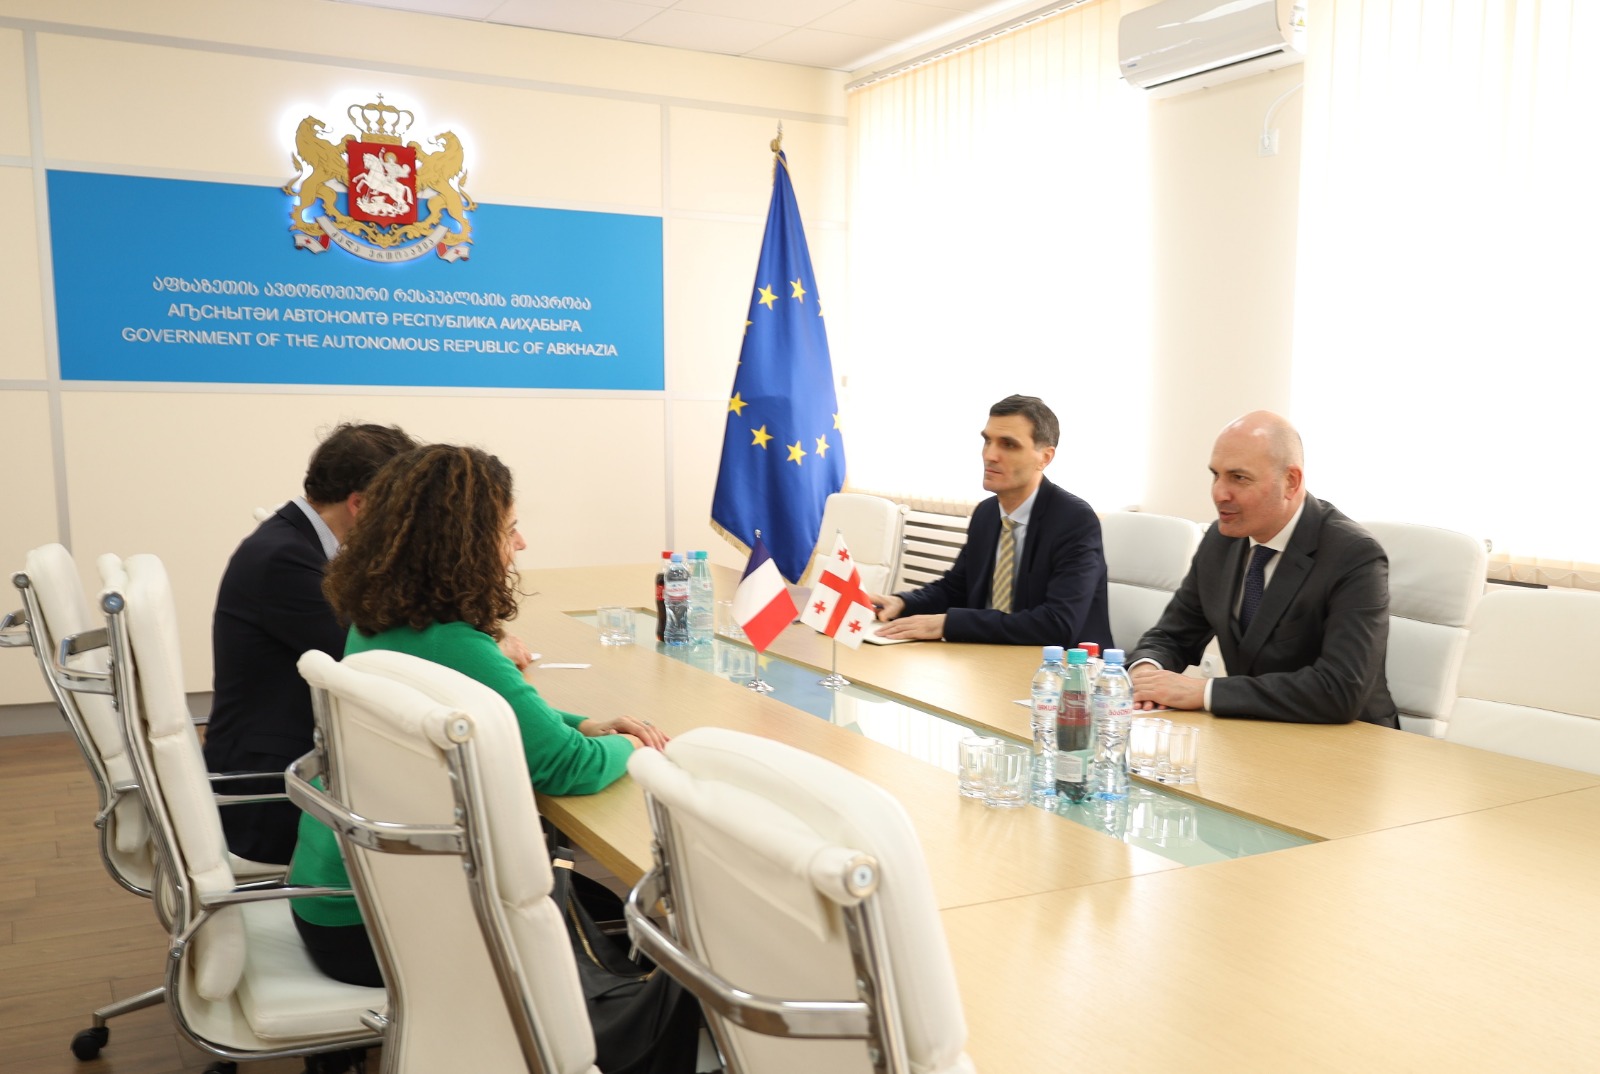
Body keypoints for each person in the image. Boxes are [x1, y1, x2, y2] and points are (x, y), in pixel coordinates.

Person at [288, 443, 669, 987]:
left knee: (599, 905)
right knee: (645, 940)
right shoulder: (452, 643)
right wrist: (633, 744)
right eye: (508, 529)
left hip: (337, 899)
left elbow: (493, 710)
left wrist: (582, 724)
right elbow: (568, 767)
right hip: (385, 929)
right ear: (462, 545)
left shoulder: (382, 622)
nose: (521, 543)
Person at [204, 422, 419, 865]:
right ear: (360, 504)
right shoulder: (283, 558)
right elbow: (370, 658)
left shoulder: (296, 541)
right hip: (272, 797)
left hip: (292, 765)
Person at [1128, 410, 1398, 727]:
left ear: (1291, 482)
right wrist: (1147, 671)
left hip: (1350, 740)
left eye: (1239, 478)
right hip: (1256, 730)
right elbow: (1173, 634)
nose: (1219, 493)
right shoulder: (1221, 540)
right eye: (1216, 475)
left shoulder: (1353, 555)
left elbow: (1340, 688)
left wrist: (1205, 692)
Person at [869, 394, 1113, 647]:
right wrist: (903, 603)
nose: (990, 455)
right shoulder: (986, 513)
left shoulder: (1074, 520)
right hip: (988, 655)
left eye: (1008, 445)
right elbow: (956, 589)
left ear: (1045, 457)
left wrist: (947, 624)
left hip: (1062, 665)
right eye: (987, 441)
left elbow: (1057, 624)